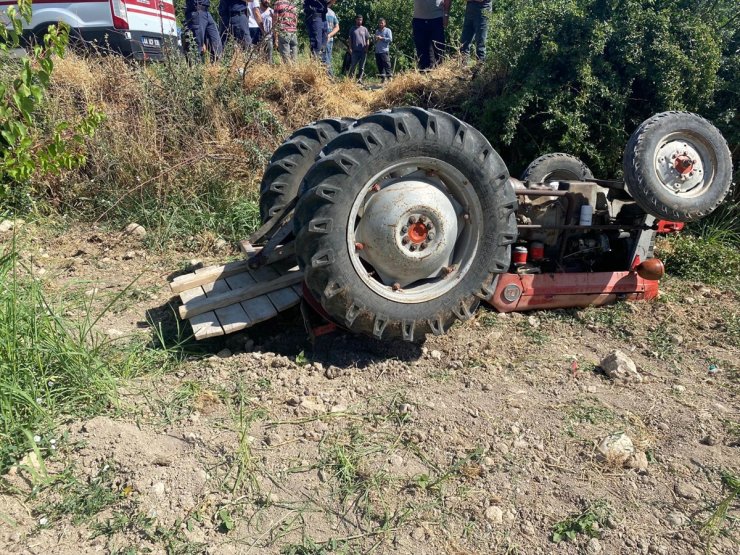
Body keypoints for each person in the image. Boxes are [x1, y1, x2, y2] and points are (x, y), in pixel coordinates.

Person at [412, 0, 451, 70]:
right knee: (421, 52)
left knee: (439, 49)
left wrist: (446, 14)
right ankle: (425, 75)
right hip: (418, 19)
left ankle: (440, 73)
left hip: (436, 18)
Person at [347, 14, 370, 82]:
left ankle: (359, 79)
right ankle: (350, 79)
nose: (359, 21)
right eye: (358, 20)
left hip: (363, 51)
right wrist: (350, 48)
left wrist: (367, 46)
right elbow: (350, 39)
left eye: (361, 20)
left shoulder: (365, 29)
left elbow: (367, 38)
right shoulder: (352, 29)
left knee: (362, 67)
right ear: (356, 20)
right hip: (355, 51)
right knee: (353, 65)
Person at [374, 18, 392, 82]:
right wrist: (375, 39)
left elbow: (390, 39)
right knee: (380, 65)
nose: (381, 24)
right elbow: (375, 41)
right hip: (377, 51)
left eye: (382, 23)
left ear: (385, 23)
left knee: (387, 64)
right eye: (380, 23)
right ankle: (383, 78)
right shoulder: (377, 31)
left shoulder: (388, 30)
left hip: (384, 50)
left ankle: (389, 78)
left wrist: (382, 38)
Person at [324, 6, 340, 70]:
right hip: (329, 39)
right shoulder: (332, 13)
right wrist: (330, 35)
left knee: (325, 60)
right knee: (327, 59)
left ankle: (330, 78)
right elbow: (337, 27)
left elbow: (337, 27)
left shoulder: (320, 11)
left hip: (325, 40)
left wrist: (328, 35)